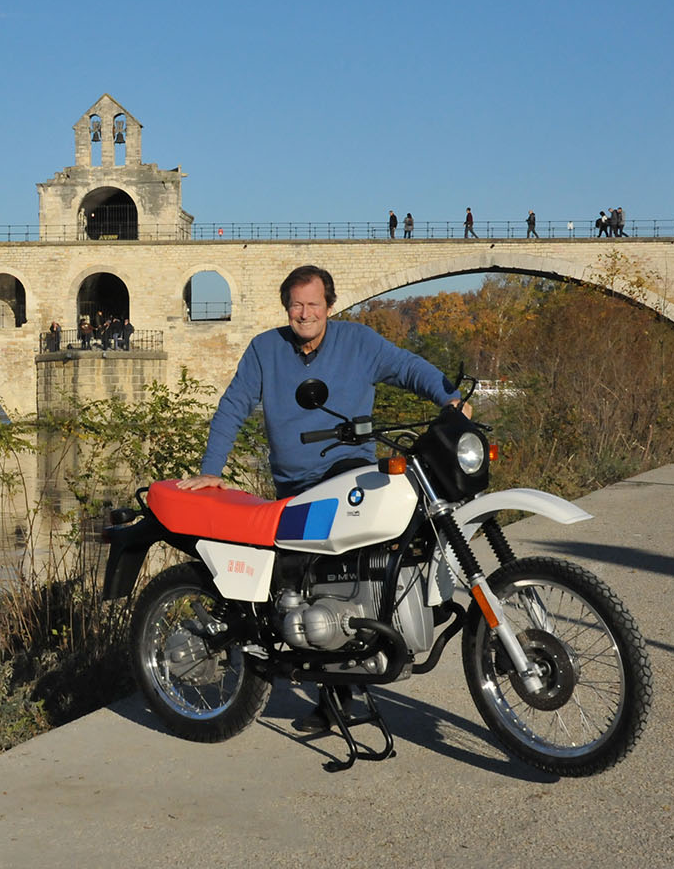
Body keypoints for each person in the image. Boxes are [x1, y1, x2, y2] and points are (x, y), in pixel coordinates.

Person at [176, 265, 467, 732]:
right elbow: (233, 405)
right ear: (286, 307)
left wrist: (450, 400)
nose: (304, 313)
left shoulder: (359, 342)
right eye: (296, 304)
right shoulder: (265, 350)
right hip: (295, 486)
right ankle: (334, 693)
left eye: (313, 304)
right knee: (310, 588)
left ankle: (361, 670)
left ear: (329, 305)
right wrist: (212, 471)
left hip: (351, 477)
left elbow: (409, 368)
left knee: (369, 567)